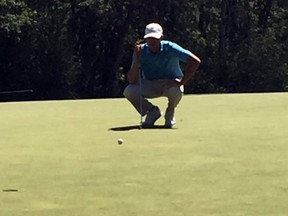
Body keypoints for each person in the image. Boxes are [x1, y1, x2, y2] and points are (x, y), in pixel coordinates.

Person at [123, 23, 201, 128]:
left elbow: (195, 61)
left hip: (170, 83)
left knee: (176, 91)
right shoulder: (140, 50)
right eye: (149, 38)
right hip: (150, 83)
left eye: (155, 38)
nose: (152, 41)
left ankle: (170, 114)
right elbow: (132, 80)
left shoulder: (170, 47)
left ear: (161, 37)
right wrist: (137, 60)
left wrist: (182, 81)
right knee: (129, 91)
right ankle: (152, 111)